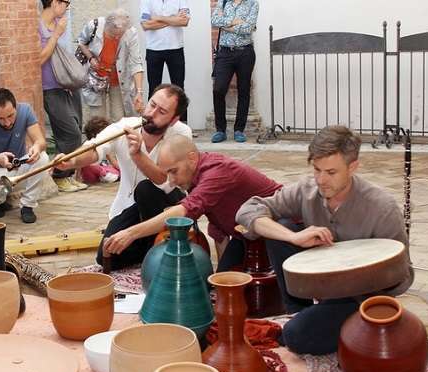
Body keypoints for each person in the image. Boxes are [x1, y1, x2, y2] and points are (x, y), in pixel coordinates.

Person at [236, 125, 414, 355]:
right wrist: (294, 237)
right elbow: (248, 210)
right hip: (322, 288)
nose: (321, 180)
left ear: (353, 167)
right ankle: (299, 310)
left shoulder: (382, 208)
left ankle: (334, 324)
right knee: (281, 228)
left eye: (331, 172)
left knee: (294, 336)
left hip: (361, 298)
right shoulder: (307, 190)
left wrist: (354, 270)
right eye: (316, 169)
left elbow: (402, 275)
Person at [58, 84, 191, 269]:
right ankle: (150, 249)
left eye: (162, 111)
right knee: (106, 256)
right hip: (129, 207)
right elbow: (95, 148)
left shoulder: (181, 134)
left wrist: (138, 155)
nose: (152, 113)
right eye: (152, 105)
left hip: (167, 204)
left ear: (174, 119)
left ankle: (157, 246)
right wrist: (71, 161)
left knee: (145, 189)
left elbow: (166, 183)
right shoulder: (124, 126)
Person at [103, 134, 281, 271]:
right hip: (247, 236)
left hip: (279, 230)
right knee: (220, 286)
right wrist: (220, 275)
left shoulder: (217, 170)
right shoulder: (194, 176)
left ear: (192, 158)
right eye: (168, 174)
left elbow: (184, 211)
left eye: (174, 171)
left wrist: (131, 233)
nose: (171, 181)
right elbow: (219, 233)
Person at [0, 88, 50, 224]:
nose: (7, 122)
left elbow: (41, 141)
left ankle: (27, 205)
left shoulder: (25, 110)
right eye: (1, 118)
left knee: (43, 157)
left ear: (16, 107)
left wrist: (36, 148)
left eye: (10, 116)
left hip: (18, 168)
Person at [39, 0, 87, 194]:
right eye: (66, 2)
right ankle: (60, 177)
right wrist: (56, 34)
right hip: (49, 87)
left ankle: (68, 175)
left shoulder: (62, 23)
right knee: (69, 132)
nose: (68, 6)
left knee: (76, 128)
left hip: (67, 85)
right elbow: (40, 58)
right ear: (55, 2)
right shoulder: (37, 26)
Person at [77, 9, 145, 122]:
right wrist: (91, 57)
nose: (117, 38)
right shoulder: (94, 26)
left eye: (120, 35)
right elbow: (81, 42)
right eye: (114, 35)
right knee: (98, 119)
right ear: (107, 27)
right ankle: (99, 139)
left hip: (118, 79)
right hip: (96, 78)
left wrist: (139, 91)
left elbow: (136, 62)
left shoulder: (131, 32)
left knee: (119, 118)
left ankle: (117, 139)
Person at [210, 0, 258, 143]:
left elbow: (248, 28)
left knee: (243, 90)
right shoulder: (223, 2)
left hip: (245, 52)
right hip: (224, 52)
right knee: (218, 89)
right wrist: (236, 22)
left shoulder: (252, 4)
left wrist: (226, 25)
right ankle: (220, 129)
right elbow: (214, 20)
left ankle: (239, 130)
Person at [140, 0, 190, 122]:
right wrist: (173, 20)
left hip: (176, 48)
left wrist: (158, 18)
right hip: (154, 49)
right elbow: (146, 25)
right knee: (154, 87)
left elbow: (184, 21)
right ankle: (152, 123)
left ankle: (182, 124)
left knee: (179, 88)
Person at [79, 116, 119, 184]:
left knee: (109, 168)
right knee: (89, 167)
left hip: (101, 171)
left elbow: (113, 161)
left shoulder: (104, 145)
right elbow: (79, 165)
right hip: (92, 172)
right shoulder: (89, 145)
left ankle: (108, 175)